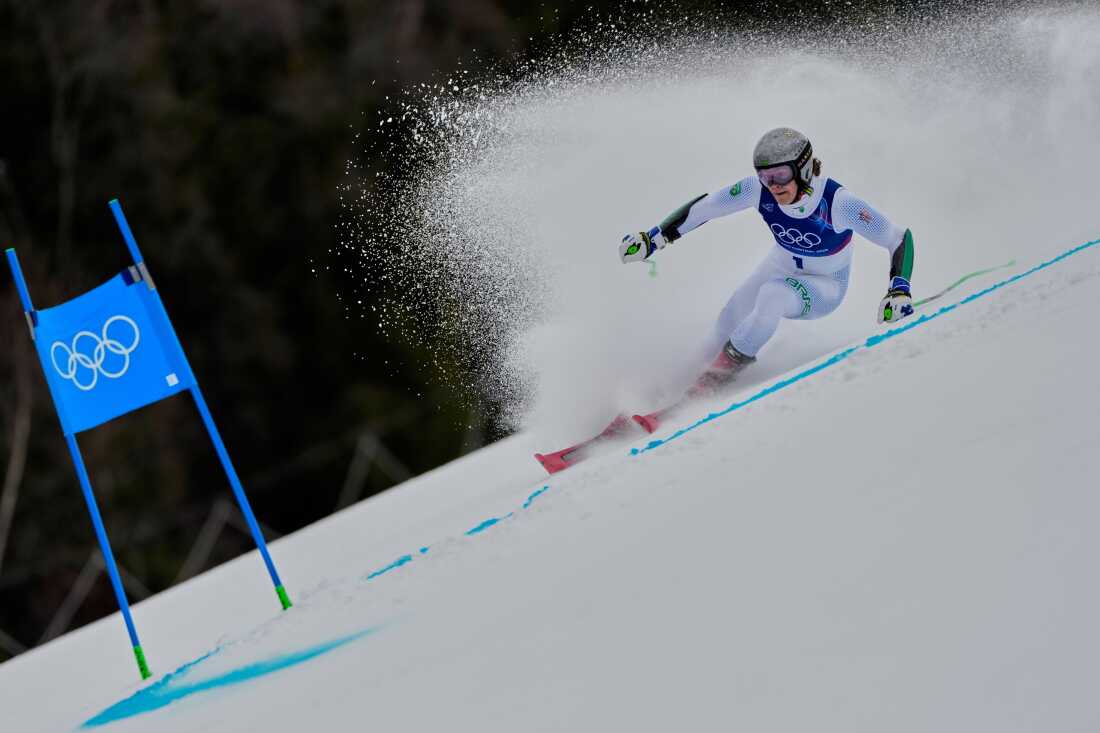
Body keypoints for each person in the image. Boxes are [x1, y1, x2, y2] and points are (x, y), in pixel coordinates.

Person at [619, 127, 915, 397]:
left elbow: (898, 238)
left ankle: (715, 380)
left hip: (824, 285)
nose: (773, 185)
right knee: (730, 316)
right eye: (765, 176)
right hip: (781, 264)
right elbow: (705, 209)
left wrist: (899, 289)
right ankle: (674, 388)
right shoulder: (757, 190)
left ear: (804, 169)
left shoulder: (838, 203)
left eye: (781, 175)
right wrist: (655, 237)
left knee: (772, 295)